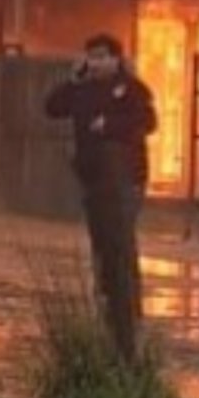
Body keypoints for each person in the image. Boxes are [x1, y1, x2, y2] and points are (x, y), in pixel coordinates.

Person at [45, 33, 157, 362]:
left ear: (117, 59)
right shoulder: (81, 90)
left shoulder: (132, 89)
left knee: (120, 246)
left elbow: (148, 122)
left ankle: (128, 316)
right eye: (91, 56)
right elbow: (52, 107)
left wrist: (109, 125)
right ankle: (106, 307)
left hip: (125, 183)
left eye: (102, 56)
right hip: (93, 183)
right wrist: (73, 80)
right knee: (101, 249)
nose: (96, 63)